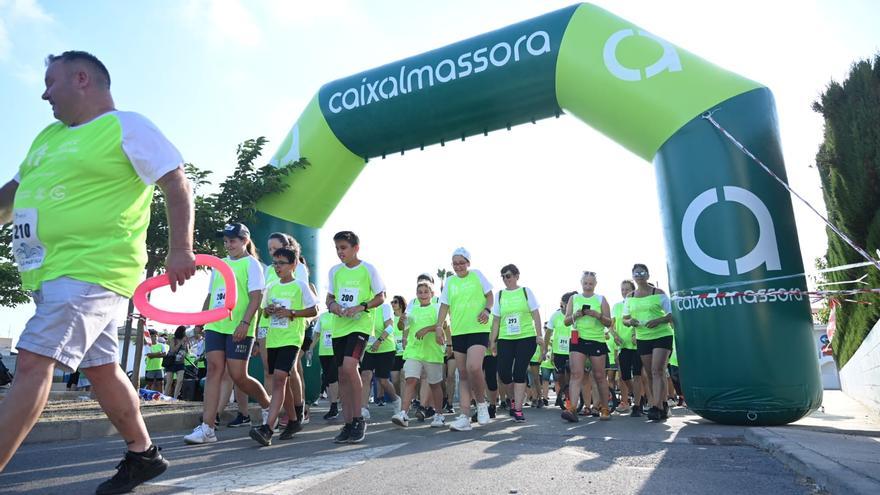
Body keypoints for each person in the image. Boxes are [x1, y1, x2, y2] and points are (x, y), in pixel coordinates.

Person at [0, 51, 195, 493]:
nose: (44, 92)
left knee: (32, 360)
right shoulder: (46, 137)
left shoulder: (127, 125)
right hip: (50, 272)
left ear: (82, 78)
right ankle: (143, 454)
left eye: (51, 82)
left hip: (94, 268)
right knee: (102, 367)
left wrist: (181, 248)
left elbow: (175, 181)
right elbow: (10, 196)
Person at [184, 223, 271, 444]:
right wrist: (201, 319)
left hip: (239, 326)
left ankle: (268, 407)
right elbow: (212, 294)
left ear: (245, 241)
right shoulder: (219, 265)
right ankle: (207, 427)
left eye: (233, 240)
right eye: (225, 241)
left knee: (239, 376)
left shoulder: (252, 265)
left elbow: (255, 298)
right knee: (213, 370)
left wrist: (244, 323)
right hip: (216, 324)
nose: (228, 245)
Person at [249, 246, 318, 446]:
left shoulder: (300, 286)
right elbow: (264, 311)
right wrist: (269, 310)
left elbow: (313, 309)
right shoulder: (271, 286)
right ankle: (294, 421)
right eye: (275, 263)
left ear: (294, 265)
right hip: (273, 339)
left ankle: (268, 428)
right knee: (282, 382)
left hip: (291, 339)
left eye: (282, 263)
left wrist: (292, 313)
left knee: (279, 379)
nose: (278, 267)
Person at [326, 231, 385, 444]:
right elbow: (329, 298)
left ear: (355, 248)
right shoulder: (334, 272)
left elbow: (381, 296)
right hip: (339, 326)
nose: (340, 252)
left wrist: (361, 306)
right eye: (337, 248)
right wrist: (334, 307)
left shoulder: (368, 269)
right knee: (342, 374)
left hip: (360, 325)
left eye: (344, 247)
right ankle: (348, 422)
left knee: (351, 367)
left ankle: (360, 418)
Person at [436, 247, 494, 431]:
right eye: (455, 263)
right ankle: (464, 416)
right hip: (459, 331)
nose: (459, 266)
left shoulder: (476, 275)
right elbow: (444, 306)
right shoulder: (450, 281)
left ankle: (482, 404)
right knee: (463, 373)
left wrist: (486, 310)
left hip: (478, 328)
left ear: (468, 262)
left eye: (462, 262)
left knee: (474, 367)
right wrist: (439, 326)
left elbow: (490, 296)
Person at [622, 264, 675, 421]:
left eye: (642, 272)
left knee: (657, 370)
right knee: (651, 373)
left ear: (648, 275)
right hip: (642, 337)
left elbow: (672, 314)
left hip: (662, 334)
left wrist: (659, 320)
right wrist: (630, 321)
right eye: (636, 272)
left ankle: (656, 407)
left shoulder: (658, 293)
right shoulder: (630, 297)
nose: (639, 275)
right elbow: (624, 319)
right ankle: (662, 404)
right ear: (633, 276)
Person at [489, 264, 541, 422]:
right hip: (506, 338)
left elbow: (536, 314)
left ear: (517, 276)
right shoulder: (499, 295)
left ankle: (518, 409)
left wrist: (540, 335)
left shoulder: (526, 292)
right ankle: (513, 398)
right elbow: (496, 320)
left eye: (509, 275)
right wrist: (492, 341)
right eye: (503, 276)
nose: (506, 279)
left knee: (519, 371)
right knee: (504, 373)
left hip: (526, 337)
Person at [392, 281, 448, 428]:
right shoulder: (413, 310)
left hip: (432, 351)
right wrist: (402, 320)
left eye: (426, 291)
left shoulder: (437, 308)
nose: (423, 294)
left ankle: (439, 415)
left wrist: (427, 329)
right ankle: (403, 413)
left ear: (432, 294)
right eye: (420, 292)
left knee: (435, 384)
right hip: (414, 351)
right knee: (410, 379)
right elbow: (401, 326)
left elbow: (444, 326)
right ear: (416, 295)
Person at [562, 271, 613, 422]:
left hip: (597, 339)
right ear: (581, 283)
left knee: (599, 376)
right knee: (576, 374)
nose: (588, 286)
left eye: (591, 283)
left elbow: (609, 322)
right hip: (578, 339)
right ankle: (572, 408)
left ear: (595, 284)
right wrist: (576, 315)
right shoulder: (574, 298)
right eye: (585, 283)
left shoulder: (601, 299)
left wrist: (597, 315)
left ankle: (604, 408)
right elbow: (566, 321)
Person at [360, 302, 402, 419]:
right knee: (365, 375)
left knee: (383, 381)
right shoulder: (363, 308)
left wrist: (379, 341)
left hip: (386, 348)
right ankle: (364, 408)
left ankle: (396, 400)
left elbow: (389, 327)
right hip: (369, 349)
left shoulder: (385, 307)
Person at [609, 279, 642, 416]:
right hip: (623, 345)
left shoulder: (638, 304)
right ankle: (635, 397)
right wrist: (614, 335)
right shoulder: (616, 306)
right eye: (622, 289)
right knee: (624, 376)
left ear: (633, 290)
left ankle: (638, 404)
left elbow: (640, 321)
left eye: (627, 289)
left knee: (639, 375)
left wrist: (636, 334)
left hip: (638, 344)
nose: (624, 292)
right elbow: (611, 325)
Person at [544, 291, 575, 409]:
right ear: (562, 304)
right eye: (567, 304)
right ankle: (565, 395)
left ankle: (572, 398)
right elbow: (548, 333)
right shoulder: (555, 316)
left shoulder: (575, 315)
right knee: (560, 377)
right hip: (559, 352)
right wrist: (545, 349)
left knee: (572, 375)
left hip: (573, 351)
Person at [312, 311, 340, 420]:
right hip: (324, 352)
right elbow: (317, 333)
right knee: (327, 379)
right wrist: (310, 348)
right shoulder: (323, 316)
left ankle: (334, 406)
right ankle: (332, 406)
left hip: (336, 351)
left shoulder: (340, 314)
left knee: (333, 378)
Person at [163, 326, 189, 400]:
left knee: (180, 380)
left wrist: (186, 343)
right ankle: (164, 397)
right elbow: (173, 350)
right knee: (169, 381)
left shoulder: (185, 339)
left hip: (180, 363)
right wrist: (180, 342)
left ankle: (175, 398)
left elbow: (187, 351)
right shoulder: (173, 340)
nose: (185, 333)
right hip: (171, 362)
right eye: (184, 331)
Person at [390, 295, 407, 397]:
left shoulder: (406, 317)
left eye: (395, 302)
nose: (392, 304)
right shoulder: (390, 318)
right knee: (395, 379)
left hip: (406, 353)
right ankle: (399, 399)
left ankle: (404, 404)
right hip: (394, 353)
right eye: (391, 302)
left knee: (403, 377)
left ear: (401, 303)